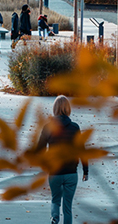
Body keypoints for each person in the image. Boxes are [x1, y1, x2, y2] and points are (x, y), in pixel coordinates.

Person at [36, 95, 88, 224]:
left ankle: (54, 217)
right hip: (71, 172)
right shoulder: (75, 128)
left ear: (54, 109)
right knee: (67, 207)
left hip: (55, 172)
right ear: (68, 109)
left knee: (55, 199)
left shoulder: (48, 127)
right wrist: (86, 171)